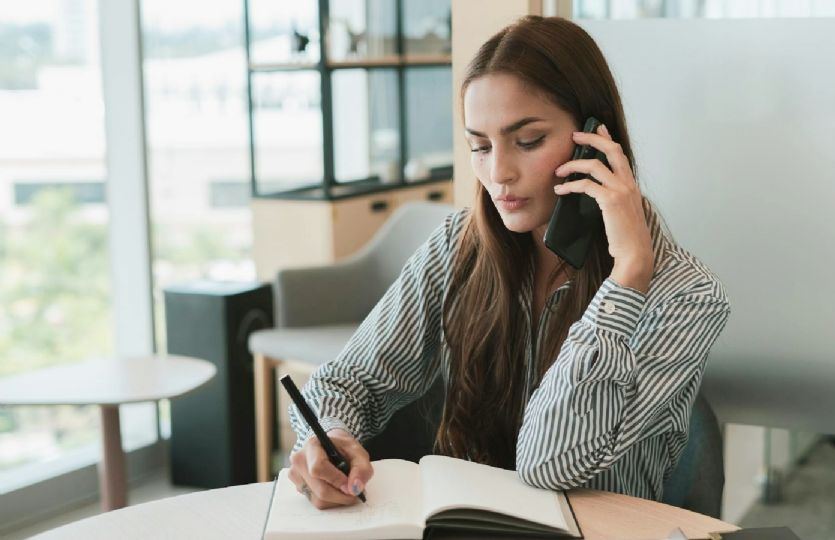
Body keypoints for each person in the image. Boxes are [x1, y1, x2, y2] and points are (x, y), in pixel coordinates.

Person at [287, 15, 731, 510]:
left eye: (528, 141)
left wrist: (626, 280)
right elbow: (345, 382)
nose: (497, 173)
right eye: (480, 146)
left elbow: (550, 462)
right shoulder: (458, 246)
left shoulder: (688, 295)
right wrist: (328, 435)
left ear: (597, 140)